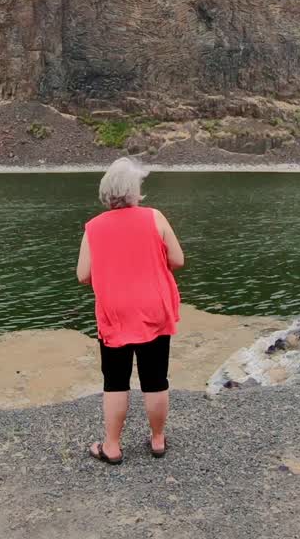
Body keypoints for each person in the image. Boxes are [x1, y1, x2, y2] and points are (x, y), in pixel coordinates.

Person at [76, 157, 185, 464]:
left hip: (115, 313)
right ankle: (158, 440)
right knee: (155, 378)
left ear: (106, 192)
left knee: (115, 380)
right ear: (134, 190)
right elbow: (177, 260)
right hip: (154, 308)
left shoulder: (93, 227)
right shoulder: (155, 218)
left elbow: (83, 275)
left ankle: (111, 446)